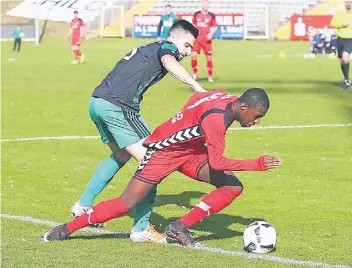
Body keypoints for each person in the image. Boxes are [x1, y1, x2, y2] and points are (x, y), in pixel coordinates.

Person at [41, 88, 282, 247]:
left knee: (231, 186)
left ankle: (178, 227)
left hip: (189, 151)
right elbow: (218, 162)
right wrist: (256, 164)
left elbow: (196, 98)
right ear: (244, 107)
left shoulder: (225, 97)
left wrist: (184, 124)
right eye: (257, 115)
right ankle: (66, 228)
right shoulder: (216, 120)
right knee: (126, 202)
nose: (257, 120)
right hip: (163, 152)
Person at [70, 20, 206, 244]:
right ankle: (141, 229)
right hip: (117, 107)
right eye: (188, 46)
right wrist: (196, 86)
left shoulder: (149, 47)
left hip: (97, 103)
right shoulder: (167, 48)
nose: (188, 52)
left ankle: (82, 206)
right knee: (154, 162)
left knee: (121, 155)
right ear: (175, 38)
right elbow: (168, 59)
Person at [191, 0, 218, 83]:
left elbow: (214, 26)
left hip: (206, 40)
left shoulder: (211, 15)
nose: (205, 5)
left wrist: (211, 34)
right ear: (202, 5)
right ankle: (195, 74)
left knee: (209, 58)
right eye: (204, 4)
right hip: (197, 39)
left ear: (208, 5)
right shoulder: (196, 14)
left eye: (207, 4)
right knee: (193, 55)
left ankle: (210, 76)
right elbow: (193, 25)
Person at [330, 0, 352, 88]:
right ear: (344, 3)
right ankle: (346, 78)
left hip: (350, 39)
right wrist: (342, 24)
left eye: (350, 2)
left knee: (345, 57)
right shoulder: (339, 13)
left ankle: (346, 80)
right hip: (340, 39)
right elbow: (332, 24)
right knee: (342, 60)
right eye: (347, 2)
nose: (349, 3)